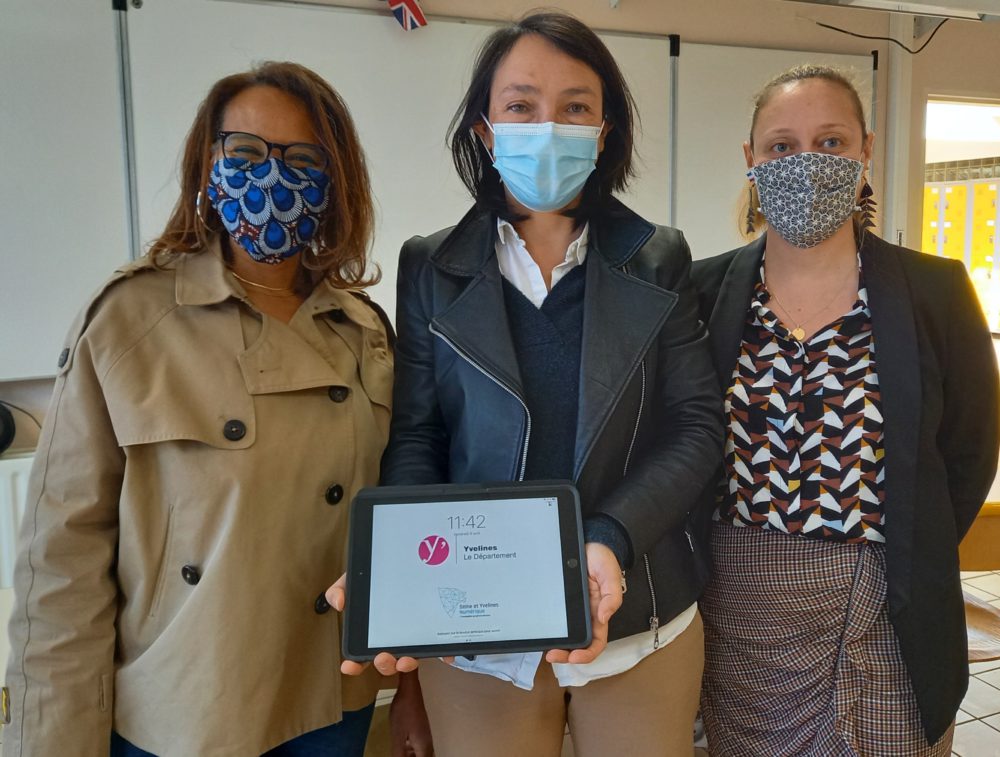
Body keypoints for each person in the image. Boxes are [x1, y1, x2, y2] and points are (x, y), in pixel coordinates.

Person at [326, 11, 723, 757]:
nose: (549, 126)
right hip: (478, 627)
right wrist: (399, 570)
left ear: (604, 131)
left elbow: (696, 426)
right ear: (485, 128)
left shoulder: (658, 257)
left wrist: (608, 539)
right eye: (521, 105)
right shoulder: (431, 265)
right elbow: (420, 434)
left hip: (640, 613)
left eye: (576, 107)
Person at [2, 62, 401, 756]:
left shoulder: (363, 328)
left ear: (336, 182)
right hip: (185, 706)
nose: (272, 175)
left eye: (303, 159)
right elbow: (62, 565)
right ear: (206, 164)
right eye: (244, 153)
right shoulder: (129, 322)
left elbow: (394, 520)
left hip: (332, 696)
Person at [692, 64, 1000, 755]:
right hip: (743, 609)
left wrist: (910, 543)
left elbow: (969, 451)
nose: (806, 163)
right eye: (781, 146)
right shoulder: (701, 291)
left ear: (865, 151)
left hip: (890, 607)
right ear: (751, 161)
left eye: (830, 142)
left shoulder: (935, 291)